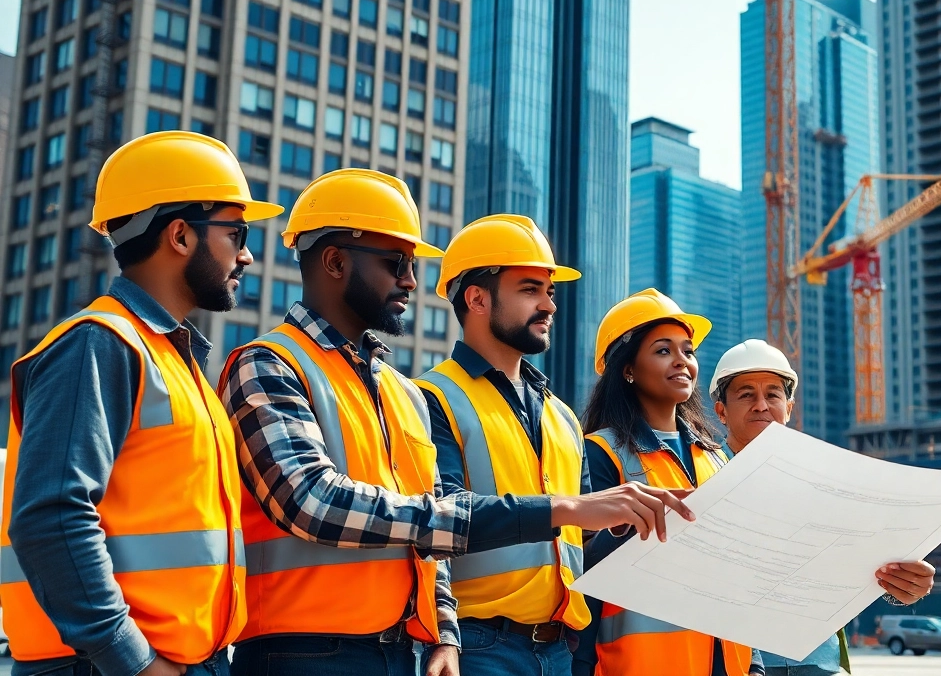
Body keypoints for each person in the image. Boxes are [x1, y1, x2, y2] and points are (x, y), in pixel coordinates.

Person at [220, 178, 683, 676]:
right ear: (334, 262)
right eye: (397, 263)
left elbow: (428, 529)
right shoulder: (270, 364)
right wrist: (563, 509)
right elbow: (316, 502)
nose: (411, 282)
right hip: (300, 651)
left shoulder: (399, 390)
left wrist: (442, 634)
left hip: (424, 648)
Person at [0, 131, 284, 676]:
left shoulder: (171, 358)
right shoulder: (98, 343)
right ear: (180, 235)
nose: (246, 253)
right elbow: (50, 517)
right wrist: (133, 661)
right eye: (236, 231)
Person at [415, 216, 693, 676]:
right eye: (530, 290)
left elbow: (577, 540)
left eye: (550, 292)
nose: (549, 305)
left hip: (558, 650)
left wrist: (632, 520)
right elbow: (437, 520)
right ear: (477, 298)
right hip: (476, 646)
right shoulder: (429, 397)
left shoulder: (560, 415)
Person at [709, 340, 938, 676]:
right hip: (738, 664)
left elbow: (856, 565)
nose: (761, 405)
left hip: (818, 660)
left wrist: (901, 587)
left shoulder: (826, 483)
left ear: (788, 407)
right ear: (721, 411)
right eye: (746, 394)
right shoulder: (701, 477)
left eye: (772, 394)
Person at [575, 289, 765, 676]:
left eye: (688, 351)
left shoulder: (715, 456)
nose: (682, 361)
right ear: (627, 368)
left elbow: (739, 573)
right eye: (663, 351)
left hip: (726, 664)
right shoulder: (599, 453)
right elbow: (579, 574)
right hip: (639, 666)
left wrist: (754, 663)